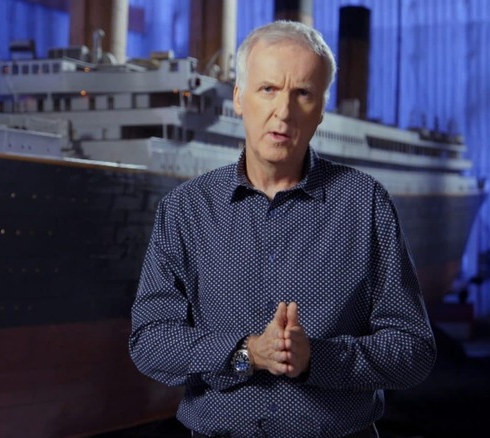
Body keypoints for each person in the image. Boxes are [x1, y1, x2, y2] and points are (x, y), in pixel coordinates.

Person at [128, 20, 436, 438]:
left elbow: (413, 349)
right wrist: (247, 353)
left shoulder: (365, 204)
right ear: (239, 98)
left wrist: (316, 360)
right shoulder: (185, 209)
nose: (284, 112)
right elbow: (149, 341)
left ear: (321, 109)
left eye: (303, 93)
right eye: (268, 89)